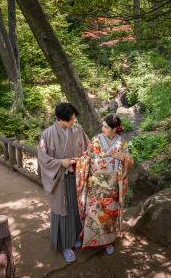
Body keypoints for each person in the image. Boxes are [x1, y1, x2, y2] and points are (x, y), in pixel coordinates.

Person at [37, 103, 90, 262]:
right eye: (72, 118)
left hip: (78, 176)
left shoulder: (78, 130)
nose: (74, 120)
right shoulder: (47, 134)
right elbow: (43, 159)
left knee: (77, 208)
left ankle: (75, 237)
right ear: (62, 119)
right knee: (63, 210)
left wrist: (81, 160)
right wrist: (61, 163)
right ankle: (65, 245)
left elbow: (89, 149)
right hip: (60, 179)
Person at [76, 114, 133, 254]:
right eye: (102, 126)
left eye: (106, 127)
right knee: (94, 213)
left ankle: (107, 241)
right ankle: (90, 239)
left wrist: (124, 158)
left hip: (112, 185)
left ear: (114, 129)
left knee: (109, 215)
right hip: (95, 184)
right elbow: (86, 157)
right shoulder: (96, 139)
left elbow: (130, 160)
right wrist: (79, 163)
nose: (102, 129)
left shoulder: (122, 143)